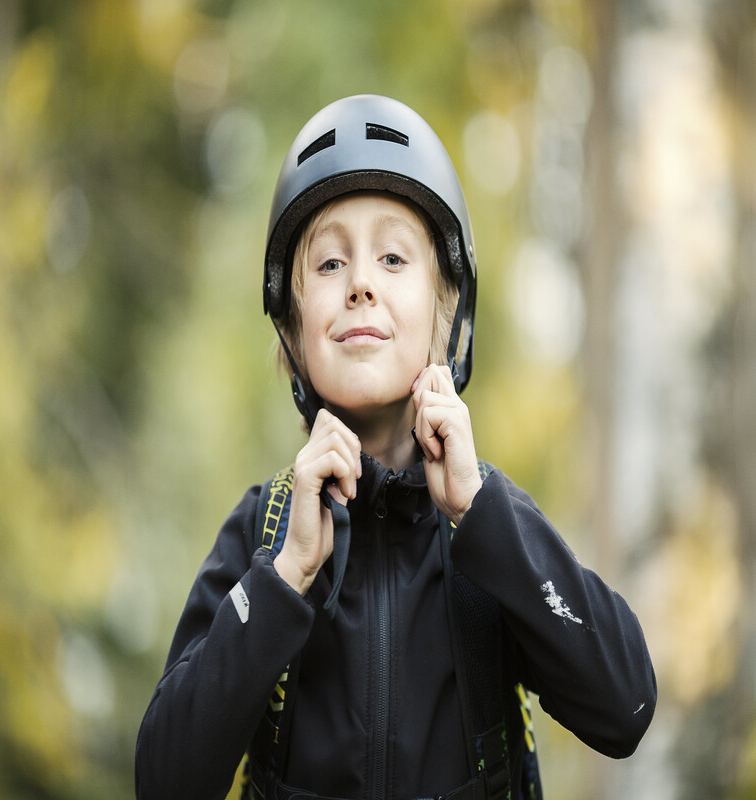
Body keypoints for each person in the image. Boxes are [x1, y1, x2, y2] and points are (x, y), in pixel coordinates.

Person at [135, 95, 656, 800]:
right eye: (327, 264)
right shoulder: (264, 535)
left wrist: (484, 517)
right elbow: (164, 781)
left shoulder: (489, 529)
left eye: (391, 257)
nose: (360, 284)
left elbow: (625, 706)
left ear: (447, 315)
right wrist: (283, 578)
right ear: (291, 328)